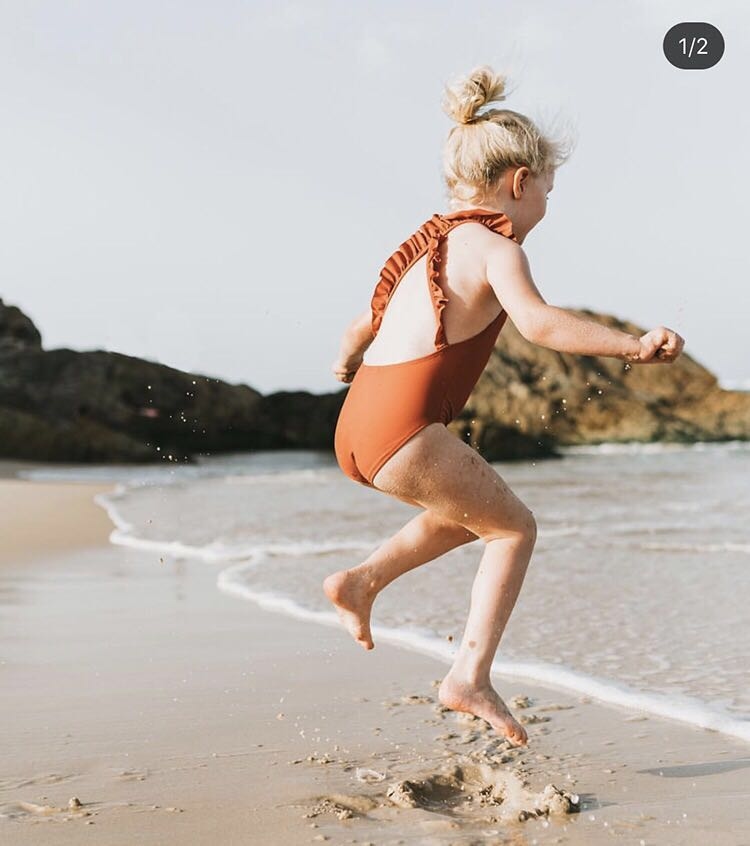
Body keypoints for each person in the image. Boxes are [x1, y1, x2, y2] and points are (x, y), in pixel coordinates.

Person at [324, 65, 685, 747]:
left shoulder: (423, 248)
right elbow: (541, 325)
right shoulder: (496, 248)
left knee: (469, 515)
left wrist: (345, 365)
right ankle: (469, 675)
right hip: (401, 429)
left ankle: (361, 582)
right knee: (514, 528)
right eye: (547, 189)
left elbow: (356, 332)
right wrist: (633, 347)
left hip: (358, 422)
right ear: (519, 182)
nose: (546, 203)